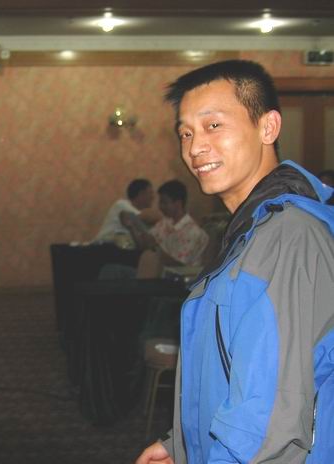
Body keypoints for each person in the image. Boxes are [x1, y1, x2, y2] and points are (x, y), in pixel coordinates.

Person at [136, 60, 334, 464]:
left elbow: (266, 427)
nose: (194, 147)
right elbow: (237, 371)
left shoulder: (287, 236)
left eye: (213, 125)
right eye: (185, 133)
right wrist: (182, 444)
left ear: (268, 127)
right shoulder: (253, 230)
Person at [124, 179, 208, 268]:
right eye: (160, 202)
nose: (160, 207)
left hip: (178, 274)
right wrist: (131, 227)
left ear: (178, 204)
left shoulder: (192, 231)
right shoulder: (164, 223)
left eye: (164, 202)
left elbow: (178, 263)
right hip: (154, 269)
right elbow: (144, 245)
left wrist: (155, 248)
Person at [92, 178, 158, 246]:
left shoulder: (143, 221)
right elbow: (147, 218)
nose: (153, 197)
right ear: (141, 194)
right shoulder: (122, 204)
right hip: (101, 246)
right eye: (150, 193)